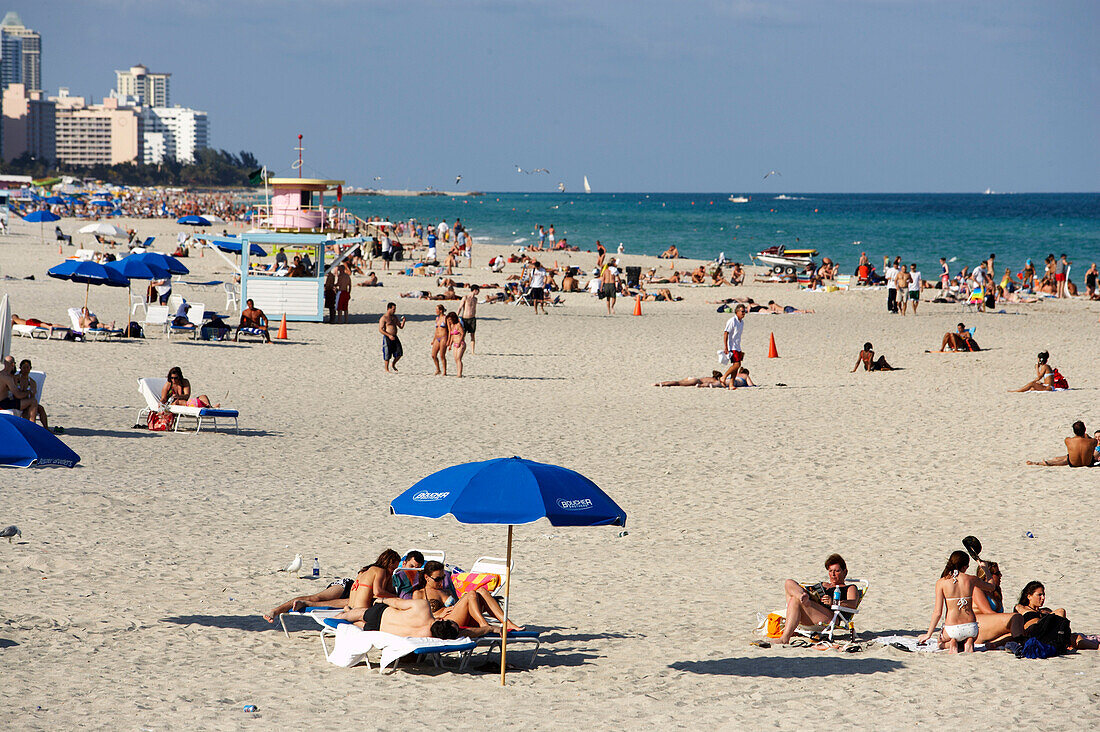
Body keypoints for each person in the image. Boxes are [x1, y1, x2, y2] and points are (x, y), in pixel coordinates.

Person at [263, 551, 424, 622]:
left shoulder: (388, 573)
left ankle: (302, 605)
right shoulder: (384, 572)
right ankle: (276, 610)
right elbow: (378, 592)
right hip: (348, 586)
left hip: (353, 597)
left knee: (315, 602)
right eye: (393, 566)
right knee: (316, 597)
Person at [917, 551, 996, 653]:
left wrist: (928, 634)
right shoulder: (971, 579)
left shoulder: (941, 582)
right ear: (964, 567)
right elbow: (991, 587)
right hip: (971, 627)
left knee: (940, 643)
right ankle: (969, 641)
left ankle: (953, 642)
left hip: (952, 628)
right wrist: (985, 570)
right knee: (970, 636)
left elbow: (937, 612)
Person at [773, 554, 860, 645]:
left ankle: (785, 638)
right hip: (810, 611)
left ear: (845, 572)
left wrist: (833, 602)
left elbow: (852, 604)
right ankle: (802, 597)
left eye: (837, 571)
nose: (833, 574)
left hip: (829, 618)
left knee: (795, 600)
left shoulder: (850, 588)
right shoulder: (823, 584)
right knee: (789, 582)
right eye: (830, 571)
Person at [337, 596, 492, 639]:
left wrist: (382, 600)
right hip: (377, 630)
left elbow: (398, 602)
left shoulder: (423, 608)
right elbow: (467, 633)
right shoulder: (431, 637)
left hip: (381, 614)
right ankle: (346, 611)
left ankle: (340, 615)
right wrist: (489, 628)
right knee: (357, 623)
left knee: (354, 614)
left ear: (442, 620)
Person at [1014, 582, 1099, 651]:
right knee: (1060, 611)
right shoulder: (1021, 608)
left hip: (1047, 635)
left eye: (1043, 594)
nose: (1043, 598)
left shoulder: (1045, 610)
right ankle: (1064, 644)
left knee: (1076, 637)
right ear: (1029, 596)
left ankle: (1097, 647)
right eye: (1039, 595)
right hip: (1033, 632)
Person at [971, 561, 1024, 646]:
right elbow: (987, 612)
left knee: (1016, 631)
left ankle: (993, 644)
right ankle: (1021, 644)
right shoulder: (977, 589)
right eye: (997, 573)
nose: (1000, 576)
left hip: (991, 627)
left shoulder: (996, 591)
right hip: (979, 625)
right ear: (987, 575)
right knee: (1016, 618)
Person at [1026, 420, 1096, 467]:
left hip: (1073, 463)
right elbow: (1090, 443)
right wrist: (1086, 436)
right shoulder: (1093, 441)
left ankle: (1043, 463)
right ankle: (1045, 462)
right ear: (1085, 429)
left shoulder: (1068, 440)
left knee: (1064, 458)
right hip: (1088, 463)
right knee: (1061, 458)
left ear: (1074, 431)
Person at [0, 356, 39, 424]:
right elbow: (18, 395)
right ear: (13, 364)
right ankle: (33, 424)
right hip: (3, 404)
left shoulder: (1, 374)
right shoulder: (7, 378)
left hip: (4, 402)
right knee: (33, 401)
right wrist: (29, 391)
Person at [720, 304, 746, 389]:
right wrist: (726, 347)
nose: (744, 313)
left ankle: (731, 384)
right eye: (742, 311)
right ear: (737, 312)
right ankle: (723, 377)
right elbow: (726, 333)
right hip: (732, 346)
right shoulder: (732, 321)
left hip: (737, 346)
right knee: (737, 364)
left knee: (737, 365)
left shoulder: (741, 322)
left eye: (744, 311)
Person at [380, 302, 405, 373]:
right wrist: (389, 335)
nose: (394, 311)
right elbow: (381, 329)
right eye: (393, 309)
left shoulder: (394, 317)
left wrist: (403, 321)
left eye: (395, 309)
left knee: (399, 352)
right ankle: (386, 369)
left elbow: (400, 326)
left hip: (395, 336)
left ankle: (393, 364)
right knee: (387, 353)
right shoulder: (384, 318)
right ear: (389, 308)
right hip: (388, 337)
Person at [458, 284, 479, 352]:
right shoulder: (465, 298)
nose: (478, 292)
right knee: (463, 335)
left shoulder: (475, 299)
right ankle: (461, 348)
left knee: (472, 335)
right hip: (465, 318)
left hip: (472, 318)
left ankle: (472, 351)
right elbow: (460, 308)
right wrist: (456, 317)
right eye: (478, 291)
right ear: (475, 290)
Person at [445, 312, 467, 377]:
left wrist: (460, 342)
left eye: (450, 320)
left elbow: (462, 334)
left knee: (458, 358)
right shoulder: (452, 326)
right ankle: (458, 372)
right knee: (455, 359)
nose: (449, 321)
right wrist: (450, 344)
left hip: (461, 343)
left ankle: (459, 374)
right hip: (455, 343)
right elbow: (452, 336)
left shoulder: (458, 325)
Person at [430, 304, 449, 376]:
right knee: (433, 355)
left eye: (437, 309)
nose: (436, 311)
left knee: (442, 355)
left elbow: (449, 330)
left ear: (441, 311)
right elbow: (436, 330)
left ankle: (444, 371)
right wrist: (433, 339)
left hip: (444, 337)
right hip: (437, 338)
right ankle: (438, 369)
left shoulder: (445, 318)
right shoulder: (437, 318)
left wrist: (449, 340)